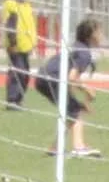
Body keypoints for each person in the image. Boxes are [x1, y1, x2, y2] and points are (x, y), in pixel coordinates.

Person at [33, 17, 101, 159]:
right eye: (100, 32)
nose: (102, 36)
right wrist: (87, 90)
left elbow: (68, 80)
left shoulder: (77, 46)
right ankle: (79, 147)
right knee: (75, 111)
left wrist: (76, 100)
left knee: (72, 110)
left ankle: (55, 148)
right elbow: (71, 78)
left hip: (43, 78)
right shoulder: (84, 53)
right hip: (53, 79)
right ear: (91, 35)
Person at [1, 0, 35, 109]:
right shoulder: (11, 4)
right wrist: (13, 43)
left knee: (25, 74)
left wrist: (31, 44)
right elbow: (10, 25)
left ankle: (18, 100)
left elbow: (30, 26)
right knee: (17, 73)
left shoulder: (27, 6)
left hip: (25, 46)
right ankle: (12, 100)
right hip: (15, 46)